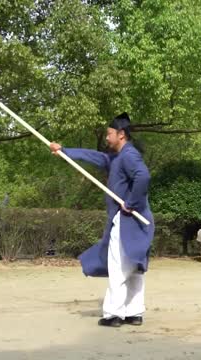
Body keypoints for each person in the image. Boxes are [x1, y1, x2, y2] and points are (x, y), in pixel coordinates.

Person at [49, 112, 154, 328]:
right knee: (134, 268)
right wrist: (65, 152)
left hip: (128, 221)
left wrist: (131, 203)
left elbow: (143, 176)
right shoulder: (116, 158)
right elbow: (95, 157)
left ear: (121, 135)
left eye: (109, 134)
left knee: (119, 267)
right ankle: (133, 312)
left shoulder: (128, 156)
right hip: (134, 220)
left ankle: (114, 314)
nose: (106, 138)